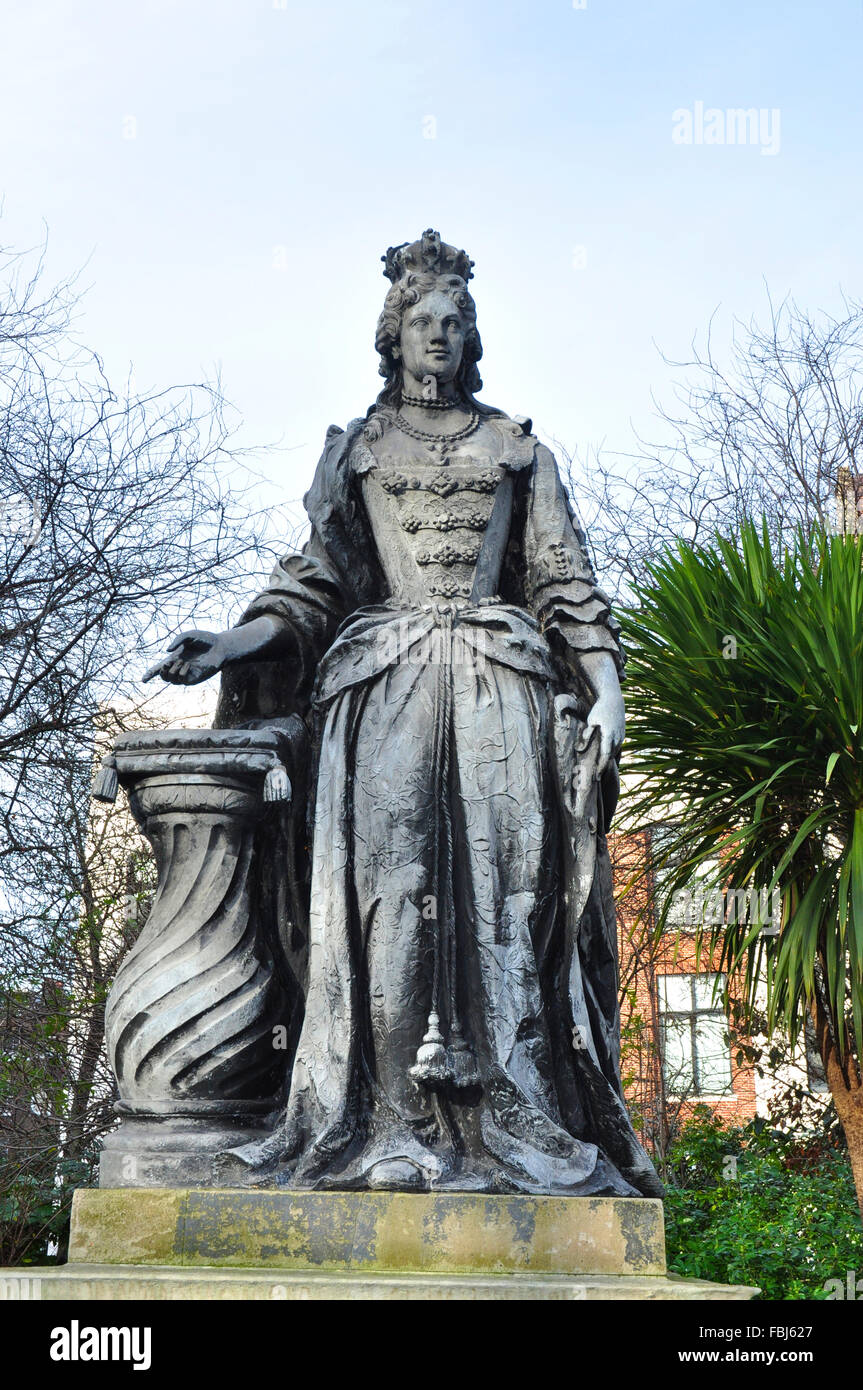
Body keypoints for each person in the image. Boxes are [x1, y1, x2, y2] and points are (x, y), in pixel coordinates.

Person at [148, 230, 662, 1197]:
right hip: (381, 689)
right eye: (423, 320)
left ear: (472, 338)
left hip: (499, 688)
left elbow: (563, 580)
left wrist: (605, 682)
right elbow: (314, 583)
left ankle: (514, 1124)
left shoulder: (517, 450)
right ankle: (387, 1124)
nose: (440, 334)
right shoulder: (359, 451)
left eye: (455, 322)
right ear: (394, 334)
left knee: (506, 906)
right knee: (385, 908)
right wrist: (231, 643)